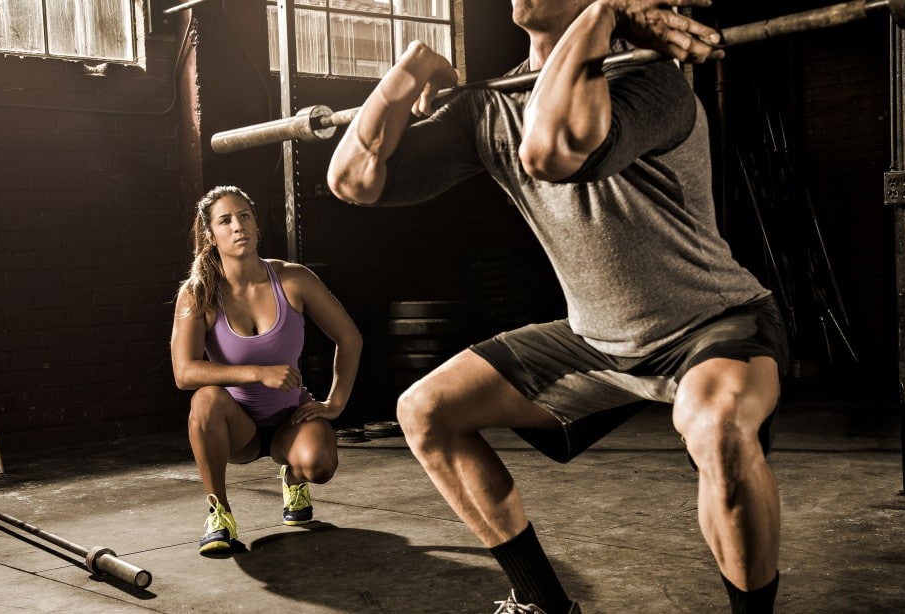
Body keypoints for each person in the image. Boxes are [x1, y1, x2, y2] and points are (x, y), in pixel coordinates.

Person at [326, 1, 788, 612]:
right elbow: (353, 180)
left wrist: (603, 20)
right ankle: (541, 601)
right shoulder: (488, 107)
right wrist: (408, 72)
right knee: (426, 411)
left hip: (711, 325)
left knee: (719, 428)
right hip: (596, 341)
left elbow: (555, 151)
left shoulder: (650, 81)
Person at [171, 185, 362, 555]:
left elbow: (350, 338)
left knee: (320, 465)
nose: (238, 226)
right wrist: (256, 373)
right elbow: (184, 372)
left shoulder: (293, 279)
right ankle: (219, 514)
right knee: (204, 400)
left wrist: (335, 403)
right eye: (226, 220)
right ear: (211, 236)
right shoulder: (198, 294)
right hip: (238, 429)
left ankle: (293, 477)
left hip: (290, 419)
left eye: (245, 216)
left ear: (256, 224)